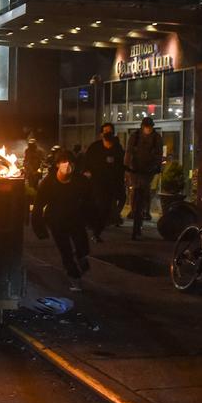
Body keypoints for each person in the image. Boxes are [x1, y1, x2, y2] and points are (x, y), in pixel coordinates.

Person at [31, 149, 95, 291]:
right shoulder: (48, 182)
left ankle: (82, 258)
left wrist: (93, 221)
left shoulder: (80, 181)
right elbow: (38, 206)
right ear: (57, 165)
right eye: (63, 162)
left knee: (81, 245)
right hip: (56, 220)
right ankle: (74, 277)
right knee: (65, 250)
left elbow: (89, 202)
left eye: (69, 162)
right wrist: (39, 229)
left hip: (76, 218)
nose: (67, 165)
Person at [83, 122, 125, 241]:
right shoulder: (95, 147)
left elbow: (121, 165)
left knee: (107, 208)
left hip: (112, 183)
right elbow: (86, 162)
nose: (108, 133)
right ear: (101, 133)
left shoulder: (117, 148)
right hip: (97, 183)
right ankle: (96, 232)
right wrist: (87, 172)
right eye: (105, 131)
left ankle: (101, 227)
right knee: (100, 206)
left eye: (110, 131)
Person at [124, 116, 163, 240]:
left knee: (145, 190)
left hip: (148, 170)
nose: (148, 129)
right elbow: (128, 152)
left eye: (150, 127)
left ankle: (145, 210)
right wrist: (126, 166)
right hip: (135, 169)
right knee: (135, 190)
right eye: (146, 127)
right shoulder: (135, 136)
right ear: (142, 127)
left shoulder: (156, 138)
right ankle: (134, 210)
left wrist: (157, 167)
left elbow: (159, 154)